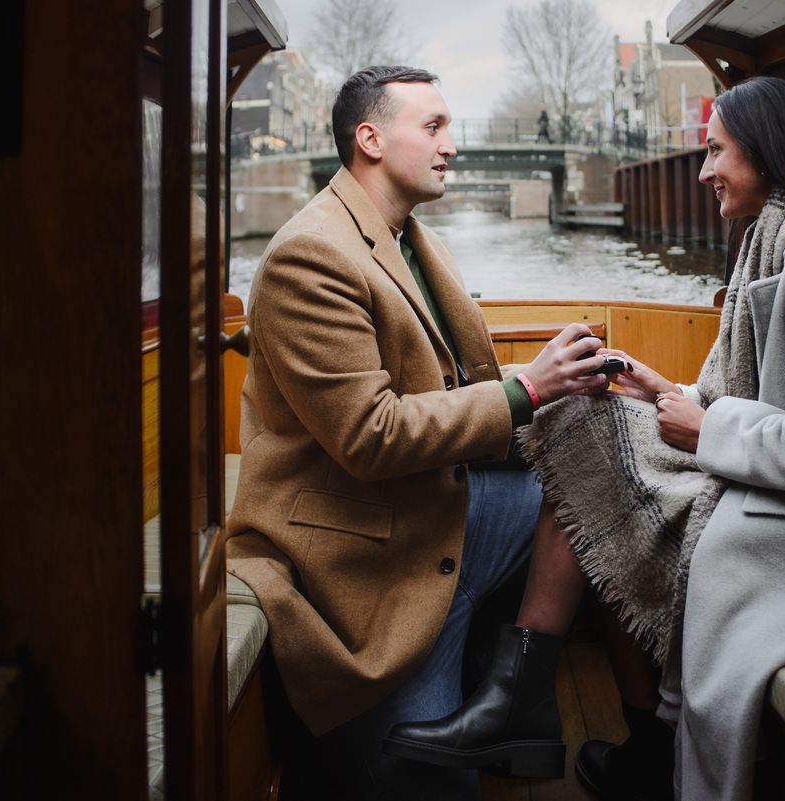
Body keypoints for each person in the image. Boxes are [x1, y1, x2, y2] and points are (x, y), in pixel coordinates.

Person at [383, 76, 785, 801]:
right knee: (579, 419)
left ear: (767, 149)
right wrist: (661, 392)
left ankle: (554, 710)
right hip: (763, 472)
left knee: (585, 465)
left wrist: (704, 420)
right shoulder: (770, 241)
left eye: (715, 151)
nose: (704, 170)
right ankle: (560, 711)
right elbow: (749, 400)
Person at [224, 65, 614, 801]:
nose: (452, 145)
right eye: (433, 126)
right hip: (362, 556)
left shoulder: (406, 236)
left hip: (434, 511)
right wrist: (528, 388)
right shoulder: (310, 257)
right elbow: (370, 435)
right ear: (370, 139)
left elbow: (453, 392)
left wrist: (560, 401)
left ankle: (517, 696)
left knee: (594, 466)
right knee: (433, 781)